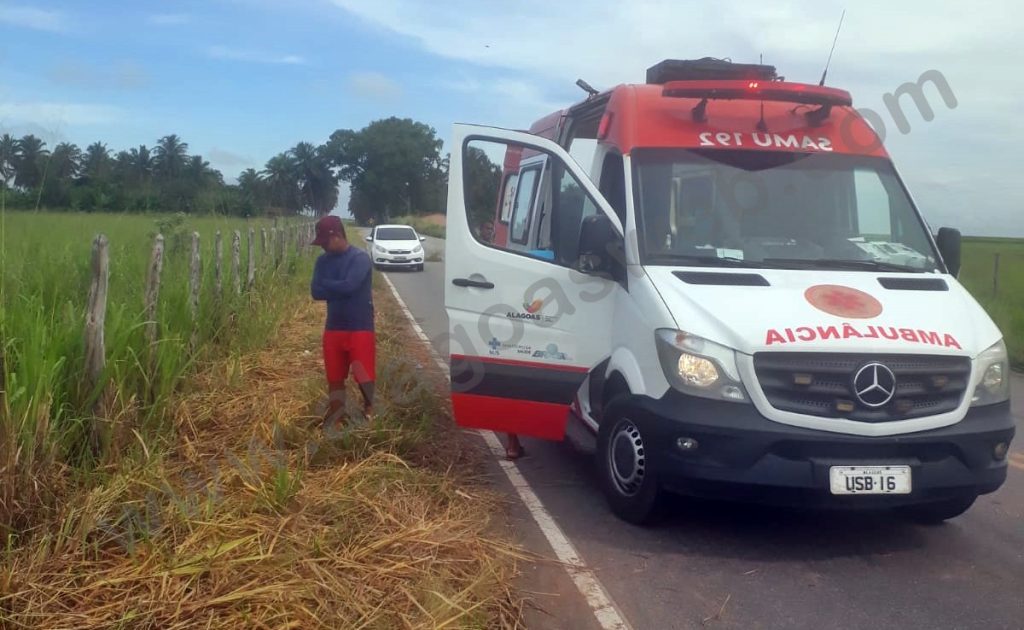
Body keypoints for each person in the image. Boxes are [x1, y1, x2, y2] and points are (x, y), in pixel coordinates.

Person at [310, 215, 375, 433]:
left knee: (363, 375)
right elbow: (315, 292)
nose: (324, 248)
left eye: (325, 243)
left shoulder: (360, 259)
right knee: (335, 376)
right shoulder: (322, 261)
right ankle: (337, 417)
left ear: (337, 236)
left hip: (360, 326)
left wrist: (327, 284)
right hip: (334, 326)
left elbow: (350, 286)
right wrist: (337, 287)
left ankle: (370, 408)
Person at [476, 218, 524, 460]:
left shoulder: (501, 258)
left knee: (509, 387)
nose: (488, 233)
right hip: (499, 328)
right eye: (486, 231)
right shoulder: (492, 258)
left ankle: (513, 442)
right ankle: (512, 443)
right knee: (509, 387)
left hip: (505, 325)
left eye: (490, 231)